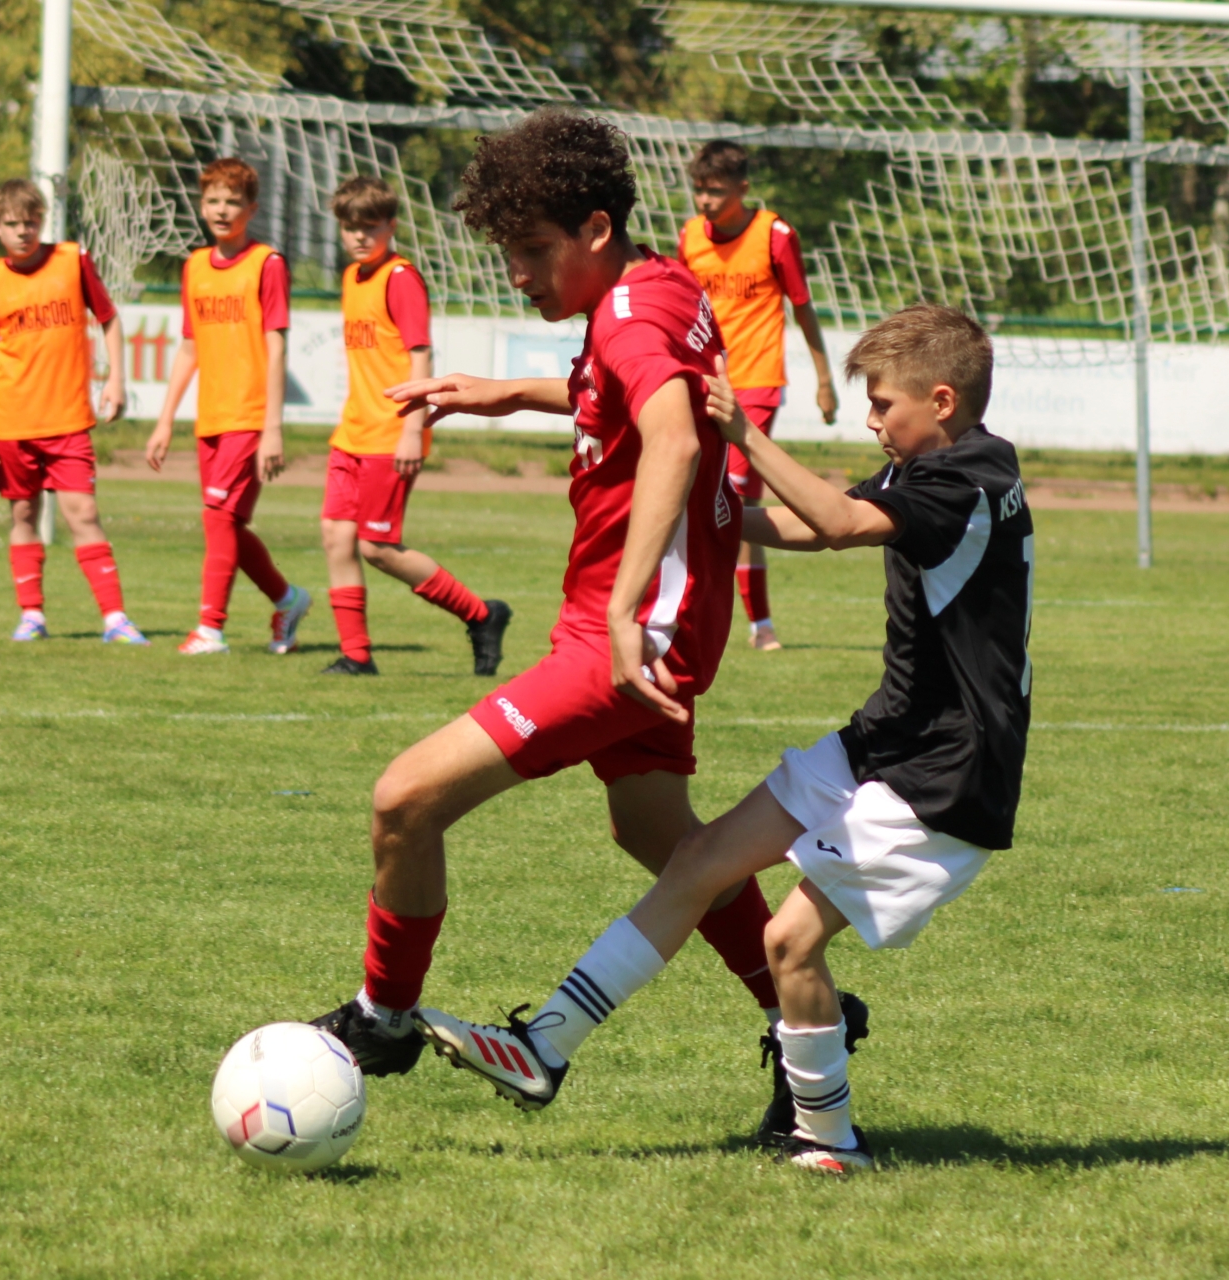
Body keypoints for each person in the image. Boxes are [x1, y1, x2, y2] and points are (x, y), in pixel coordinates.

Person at [415, 305, 1033, 1178]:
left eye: (882, 405)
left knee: (789, 943)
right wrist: (711, 514)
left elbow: (840, 522)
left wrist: (743, 430)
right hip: (889, 736)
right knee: (699, 861)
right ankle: (543, 1047)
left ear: (941, 401)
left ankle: (829, 1143)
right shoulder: (943, 460)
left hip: (949, 770)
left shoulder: (962, 480)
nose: (870, 420)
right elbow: (817, 521)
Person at [307, 109, 795, 1105]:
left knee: (404, 799)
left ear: (596, 229)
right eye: (510, 252)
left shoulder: (628, 316)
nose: (518, 273)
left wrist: (620, 616)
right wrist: (505, 392)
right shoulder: (659, 283)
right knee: (663, 839)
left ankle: (383, 1017)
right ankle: (808, 1021)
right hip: (654, 622)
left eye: (534, 250)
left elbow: (673, 435)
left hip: (629, 634)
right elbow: (620, 389)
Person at [319, 175, 513, 677]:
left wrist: (413, 428)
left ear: (391, 225)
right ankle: (356, 655)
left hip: (391, 434)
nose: (359, 236)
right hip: (352, 432)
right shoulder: (352, 276)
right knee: (336, 536)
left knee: (377, 547)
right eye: (350, 226)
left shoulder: (400, 277)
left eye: (370, 226)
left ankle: (481, 615)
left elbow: (420, 355)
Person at [147, 158, 311, 656]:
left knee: (218, 519)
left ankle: (210, 629)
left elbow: (276, 346)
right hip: (211, 417)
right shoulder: (195, 266)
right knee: (226, 525)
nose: (222, 210)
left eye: (233, 202)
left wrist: (272, 428)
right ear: (202, 205)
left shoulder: (267, 263)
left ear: (252, 209)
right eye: (213, 200)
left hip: (250, 414)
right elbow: (189, 347)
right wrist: (164, 420)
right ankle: (288, 600)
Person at [679, 140, 839, 652]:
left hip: (758, 383)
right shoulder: (689, 237)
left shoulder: (775, 234)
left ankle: (753, 622)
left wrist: (824, 379)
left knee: (729, 496)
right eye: (699, 190)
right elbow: (683, 309)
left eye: (716, 191)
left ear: (743, 188)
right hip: (705, 383)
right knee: (704, 494)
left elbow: (803, 307)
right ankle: (739, 621)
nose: (705, 201)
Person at [0, 179, 144, 645]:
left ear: (42, 221)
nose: (22, 231)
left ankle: (115, 619)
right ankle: (32, 616)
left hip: (67, 420)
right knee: (24, 514)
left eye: (31, 222)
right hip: (13, 422)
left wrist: (116, 380)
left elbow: (108, 319)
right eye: (12, 224)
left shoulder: (72, 260)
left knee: (83, 512)